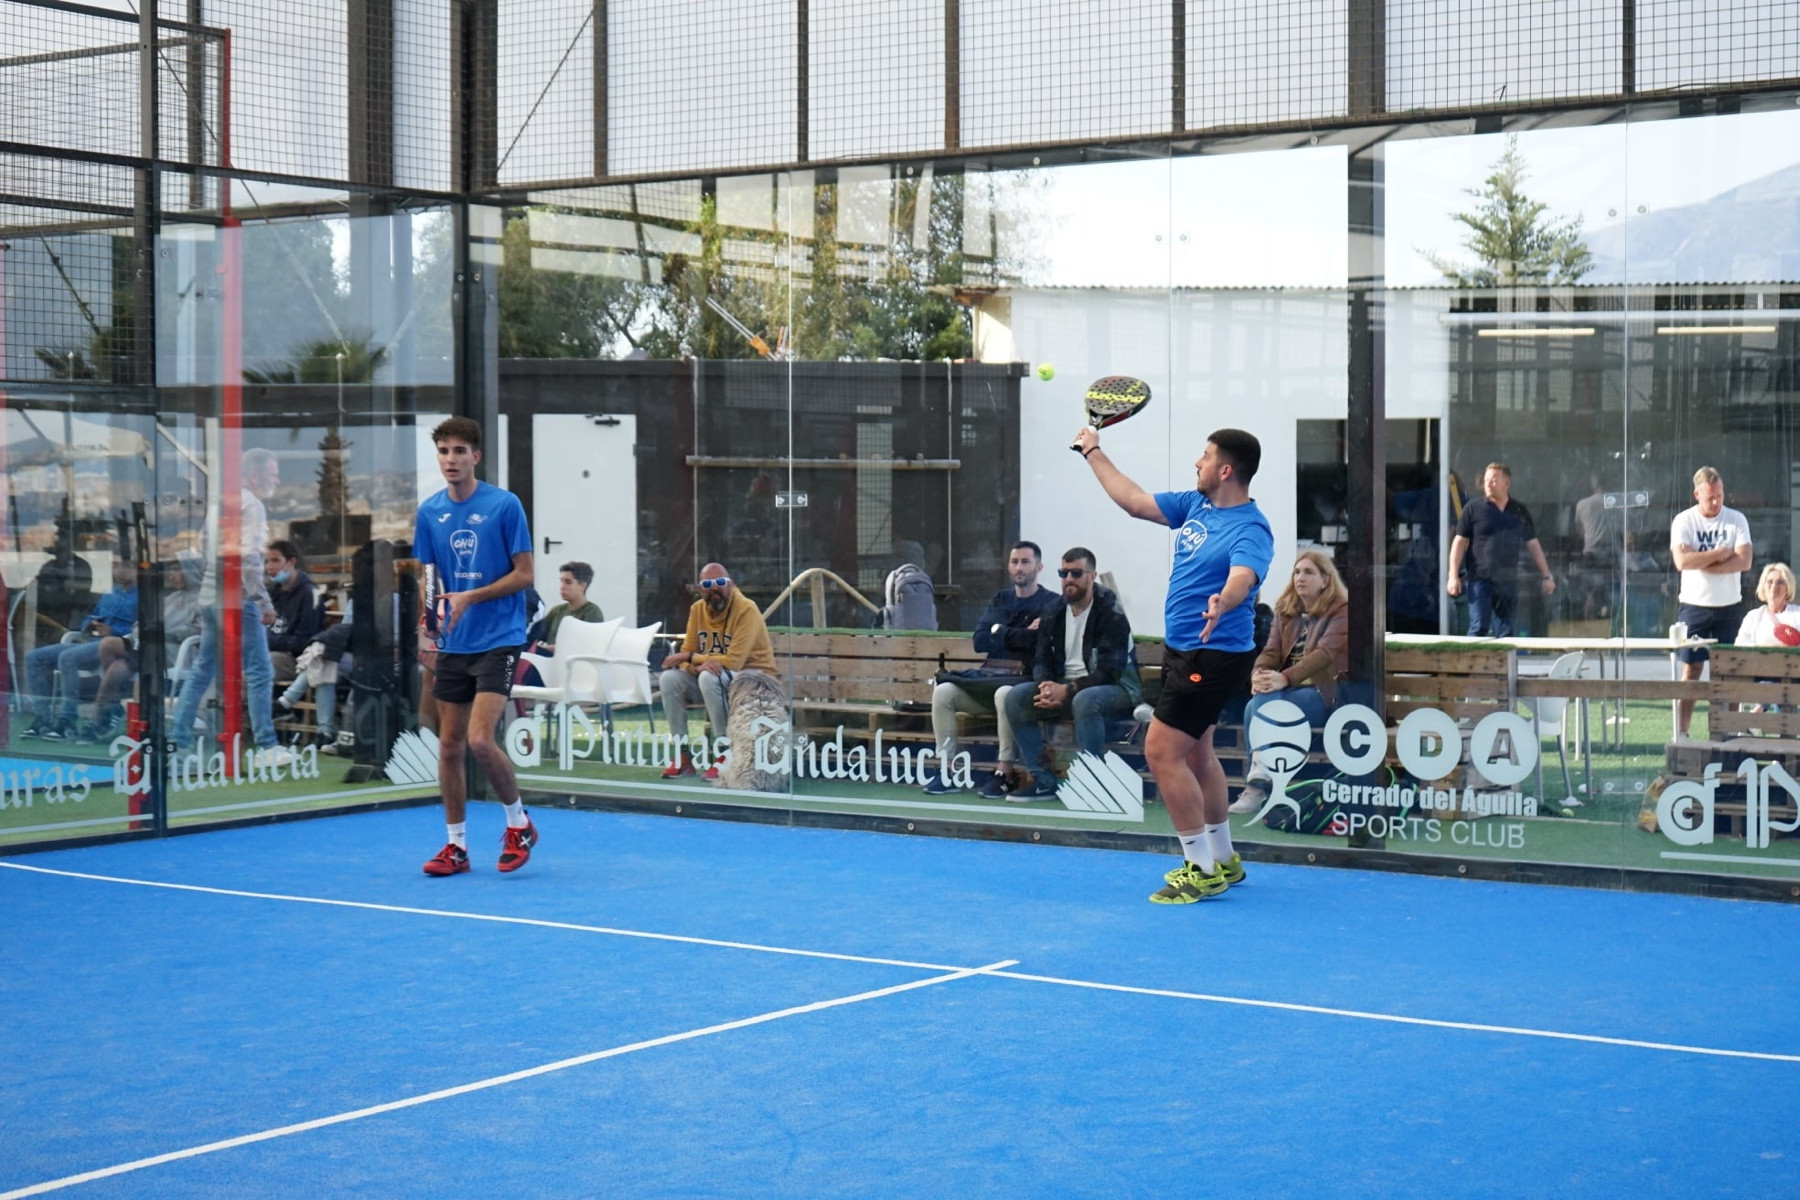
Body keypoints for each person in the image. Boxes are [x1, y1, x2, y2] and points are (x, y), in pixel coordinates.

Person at [1076, 425, 1274, 903]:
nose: (1196, 463)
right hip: (1184, 650)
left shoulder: (1251, 528)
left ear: (1225, 470)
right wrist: (1093, 451)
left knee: (1162, 752)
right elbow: (1134, 501)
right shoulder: (1194, 505)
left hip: (1214, 654)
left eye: (1205, 456)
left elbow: (1242, 577)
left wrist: (1224, 601)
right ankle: (1222, 858)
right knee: (1198, 754)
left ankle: (1200, 868)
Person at [413, 416, 538, 876]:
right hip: (454, 644)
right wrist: (428, 619)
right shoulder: (429, 512)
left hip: (500, 638)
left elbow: (525, 575)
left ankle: (518, 824)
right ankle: (457, 847)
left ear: (475, 457)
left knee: (480, 739)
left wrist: (469, 597)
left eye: (459, 451)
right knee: (449, 746)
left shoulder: (505, 506)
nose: (451, 459)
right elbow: (428, 576)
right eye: (444, 451)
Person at [170, 447, 289, 767]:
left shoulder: (221, 504)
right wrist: (263, 602)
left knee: (202, 669)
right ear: (255, 475)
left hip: (212, 598)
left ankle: (178, 740)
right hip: (238, 600)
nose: (276, 480)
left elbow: (203, 547)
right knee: (260, 671)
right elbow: (249, 560)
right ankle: (266, 746)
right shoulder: (253, 506)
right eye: (272, 474)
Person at [923, 540, 1061, 798]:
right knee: (944, 692)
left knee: (1004, 694)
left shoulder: (1052, 602)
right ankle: (947, 771)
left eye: (1025, 562)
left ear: (1039, 567)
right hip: (988, 680)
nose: (1019, 567)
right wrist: (1020, 632)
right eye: (1014, 562)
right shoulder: (1000, 599)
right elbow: (980, 641)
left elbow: (1038, 642)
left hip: (1025, 688)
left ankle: (1004, 773)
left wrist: (999, 631)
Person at [1001, 547, 1140, 800]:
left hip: (1117, 689)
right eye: (1063, 573)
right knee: (1015, 697)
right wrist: (1045, 685)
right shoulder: (1053, 610)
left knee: (1085, 700)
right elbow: (1042, 658)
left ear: (1092, 576)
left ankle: (1093, 783)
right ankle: (1044, 781)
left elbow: (1110, 670)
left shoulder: (1110, 611)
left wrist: (1068, 689)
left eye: (1076, 573)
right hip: (1066, 688)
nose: (1068, 579)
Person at [1231, 549, 1350, 813]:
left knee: (1259, 705)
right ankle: (1259, 776)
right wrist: (1259, 674)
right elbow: (1270, 652)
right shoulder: (1286, 611)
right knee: (1255, 704)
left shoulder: (1341, 610)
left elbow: (1325, 654)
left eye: (1308, 572)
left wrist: (1283, 678)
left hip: (1323, 694)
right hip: (1285, 693)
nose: (1300, 578)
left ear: (1325, 580)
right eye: (1297, 572)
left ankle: (1256, 788)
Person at [659, 562, 777, 781]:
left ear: (731, 584)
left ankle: (726, 753)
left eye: (720, 582)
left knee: (709, 678)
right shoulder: (697, 610)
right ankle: (683, 755)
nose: (714, 588)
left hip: (754, 681)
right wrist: (695, 665)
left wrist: (691, 658)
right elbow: (686, 654)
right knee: (669, 679)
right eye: (707, 584)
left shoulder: (746, 609)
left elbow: (734, 661)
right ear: (700, 589)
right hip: (718, 679)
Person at [1671, 465, 1754, 739]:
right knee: (1692, 668)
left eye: (1719, 495)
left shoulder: (1736, 519)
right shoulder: (1684, 521)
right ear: (1697, 494)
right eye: (1710, 497)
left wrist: (1701, 560)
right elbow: (1681, 561)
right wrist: (1720, 554)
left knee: (1729, 670)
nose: (1716, 502)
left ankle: (1729, 730)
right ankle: (1682, 732)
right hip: (1694, 605)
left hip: (1729, 606)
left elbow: (1744, 561)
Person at [24, 555, 138, 741]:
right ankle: (43, 717)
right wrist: (88, 625)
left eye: (125, 566)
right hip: (91, 641)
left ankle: (67, 719)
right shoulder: (110, 593)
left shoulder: (142, 597)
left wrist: (113, 631)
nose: (119, 571)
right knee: (34, 658)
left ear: (136, 569)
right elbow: (93, 615)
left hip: (115, 646)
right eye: (116, 566)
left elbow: (140, 632)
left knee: (67, 657)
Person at [1445, 462, 1555, 637]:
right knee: (1479, 626)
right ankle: (1474, 656)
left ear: (1507, 483)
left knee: (1506, 630)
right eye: (1486, 480)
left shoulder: (1518, 510)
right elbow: (1459, 542)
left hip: (1508, 579)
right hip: (1479, 578)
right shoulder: (1473, 508)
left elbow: (1533, 545)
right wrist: (1453, 576)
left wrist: (1546, 576)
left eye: (1494, 480)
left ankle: (1505, 657)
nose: (1488, 484)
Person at [274, 599, 356, 752]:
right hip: (353, 654)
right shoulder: (356, 600)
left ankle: (288, 700)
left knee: (323, 658)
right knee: (324, 663)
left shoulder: (394, 600)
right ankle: (324, 733)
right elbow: (346, 631)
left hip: (374, 657)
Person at [263, 540, 320, 688]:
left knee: (259, 666)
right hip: (271, 650)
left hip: (296, 660)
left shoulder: (310, 594)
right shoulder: (272, 592)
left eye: (276, 560)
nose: (269, 566)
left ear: (292, 562)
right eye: (267, 561)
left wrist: (266, 641)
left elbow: (304, 641)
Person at [533, 561, 604, 651]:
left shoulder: (592, 612)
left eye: (568, 582)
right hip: (549, 657)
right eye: (561, 581)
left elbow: (587, 645)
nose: (562, 587)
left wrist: (548, 649)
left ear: (582, 586)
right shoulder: (557, 611)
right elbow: (535, 635)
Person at [1735, 563, 1800, 648]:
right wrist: (1771, 648)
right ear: (1763, 586)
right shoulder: (1753, 617)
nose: (1774, 586)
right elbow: (1740, 645)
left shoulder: (1797, 614)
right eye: (1770, 582)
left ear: (1788, 587)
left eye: (1780, 582)